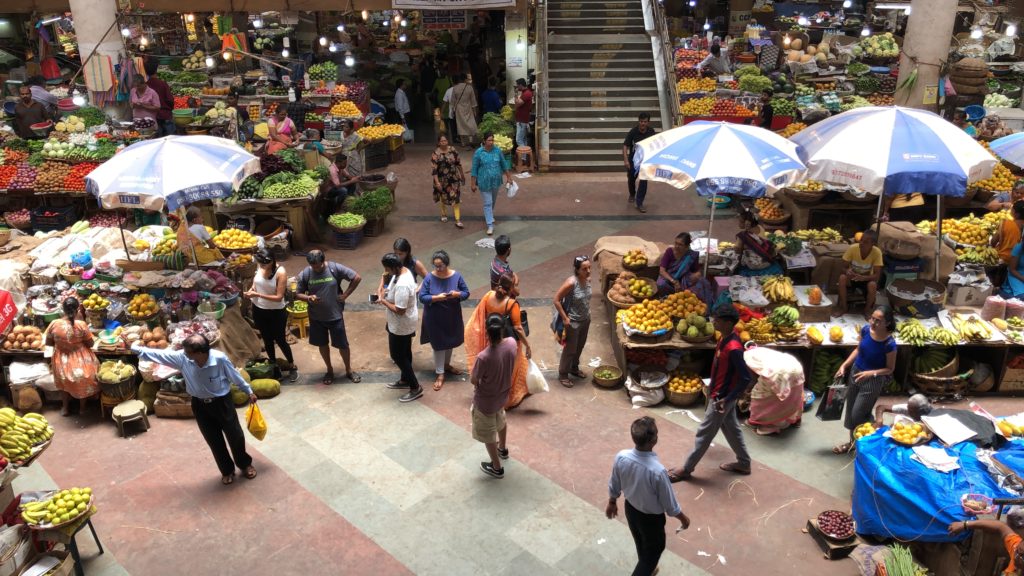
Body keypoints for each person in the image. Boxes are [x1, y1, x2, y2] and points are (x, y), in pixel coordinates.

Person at [133, 334, 258, 485]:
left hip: (222, 403)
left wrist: (248, 391)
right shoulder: (183, 358)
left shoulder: (219, 359)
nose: (184, 354)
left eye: (188, 352)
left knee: (235, 436)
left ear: (200, 352)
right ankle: (227, 470)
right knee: (214, 440)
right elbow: (160, 355)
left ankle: (244, 464)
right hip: (200, 406)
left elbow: (234, 375)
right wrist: (135, 348)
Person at [669, 305, 752, 481]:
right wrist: (712, 385)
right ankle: (744, 463)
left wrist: (727, 399)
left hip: (721, 400)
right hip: (718, 394)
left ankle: (687, 468)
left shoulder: (735, 348)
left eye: (718, 320)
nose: (714, 322)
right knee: (732, 429)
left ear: (728, 323)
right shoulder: (724, 338)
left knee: (704, 433)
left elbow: (745, 378)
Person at [607, 417, 691, 576]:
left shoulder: (621, 457)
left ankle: (649, 570)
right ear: (654, 440)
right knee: (653, 551)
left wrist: (612, 501)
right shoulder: (657, 472)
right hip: (651, 520)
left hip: (631, 509)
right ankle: (647, 569)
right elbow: (669, 504)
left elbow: (614, 481)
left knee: (640, 541)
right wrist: (684, 519)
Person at [832, 305, 897, 455]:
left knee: (859, 414)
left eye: (878, 321)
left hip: (873, 380)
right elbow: (858, 349)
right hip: (856, 373)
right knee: (850, 413)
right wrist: (844, 365)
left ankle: (869, 441)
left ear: (887, 323)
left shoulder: (889, 344)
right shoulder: (866, 330)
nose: (873, 322)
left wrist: (871, 373)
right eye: (872, 318)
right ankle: (852, 443)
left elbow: (890, 369)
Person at [466, 273, 532, 409]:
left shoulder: (488, 296)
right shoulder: (511, 304)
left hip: (492, 338)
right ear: (511, 288)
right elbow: (518, 328)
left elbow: (479, 315)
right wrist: (528, 345)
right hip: (506, 338)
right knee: (511, 367)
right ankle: (508, 398)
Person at [295, 250, 362, 385]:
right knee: (322, 344)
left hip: (335, 315)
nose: (316, 268)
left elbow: (357, 277)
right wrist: (309, 298)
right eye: (313, 266)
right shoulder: (306, 273)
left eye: (319, 266)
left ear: (323, 261)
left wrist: (345, 295)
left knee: (343, 345)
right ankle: (329, 370)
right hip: (316, 317)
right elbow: (297, 294)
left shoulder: (334, 268)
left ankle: (349, 369)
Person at [472, 313, 517, 478]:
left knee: (488, 433)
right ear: (503, 329)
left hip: (486, 401)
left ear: (487, 332)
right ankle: (503, 448)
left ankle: (497, 467)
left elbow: (473, 379)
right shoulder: (512, 344)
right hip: (503, 394)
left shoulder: (483, 357)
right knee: (501, 419)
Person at [244, 248, 297, 383]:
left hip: (276, 312)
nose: (261, 266)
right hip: (259, 310)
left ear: (271, 261)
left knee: (280, 339)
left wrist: (257, 295)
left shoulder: (280, 272)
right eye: (260, 264)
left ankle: (291, 365)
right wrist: (252, 291)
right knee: (267, 339)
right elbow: (256, 283)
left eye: (264, 264)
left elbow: (279, 297)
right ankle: (273, 365)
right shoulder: (259, 265)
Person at [420, 250, 470, 391]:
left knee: (450, 341)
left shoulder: (456, 276)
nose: (438, 269)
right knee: (439, 344)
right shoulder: (429, 278)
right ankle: (440, 373)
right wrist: (437, 298)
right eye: (436, 266)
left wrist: (457, 294)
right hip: (435, 317)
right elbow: (422, 297)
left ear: (446, 264)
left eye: (440, 266)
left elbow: (466, 293)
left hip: (451, 316)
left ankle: (446, 365)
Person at [375, 253, 422, 403]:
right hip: (405, 321)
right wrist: (385, 290)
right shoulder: (404, 270)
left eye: (387, 269)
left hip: (401, 324)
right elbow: (389, 282)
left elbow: (400, 310)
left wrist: (383, 301)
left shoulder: (402, 284)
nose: (386, 272)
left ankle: (415, 387)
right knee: (406, 351)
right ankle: (404, 379)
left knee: (397, 355)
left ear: (395, 267)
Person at [47, 297, 100, 417]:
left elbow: (49, 343)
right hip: (80, 360)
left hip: (61, 360)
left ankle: (65, 408)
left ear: (63, 310)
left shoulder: (54, 324)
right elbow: (91, 344)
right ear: (77, 310)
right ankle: (82, 408)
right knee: (85, 379)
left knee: (63, 383)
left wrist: (63, 344)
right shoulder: (81, 324)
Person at [745, 347, 804, 436]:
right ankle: (795, 418)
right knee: (794, 395)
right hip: (796, 369)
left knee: (757, 396)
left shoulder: (749, 359)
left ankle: (756, 422)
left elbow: (753, 376)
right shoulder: (764, 352)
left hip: (779, 373)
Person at [554, 255, 592, 388]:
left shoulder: (587, 280)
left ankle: (574, 368)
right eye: (584, 269)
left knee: (579, 346)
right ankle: (563, 374)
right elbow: (556, 299)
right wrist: (565, 318)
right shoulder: (571, 282)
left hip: (585, 319)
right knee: (570, 349)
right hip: (573, 322)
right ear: (577, 270)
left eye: (589, 267)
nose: (588, 271)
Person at [947, 509, 1024, 573]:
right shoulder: (1016, 548)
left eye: (1021, 556)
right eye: (1017, 551)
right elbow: (1001, 526)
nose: (1016, 556)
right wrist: (965, 525)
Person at [471, 132, 514, 236]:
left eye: (492, 140)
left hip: (496, 182)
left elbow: (504, 164)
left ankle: (490, 214)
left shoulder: (497, 151)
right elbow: (474, 169)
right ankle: (490, 224)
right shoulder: (479, 153)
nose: (491, 142)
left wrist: (509, 177)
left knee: (493, 201)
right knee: (488, 202)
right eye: (489, 140)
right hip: (483, 182)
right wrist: (472, 183)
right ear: (484, 141)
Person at [656, 232, 714, 304]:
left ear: (687, 246)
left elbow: (696, 270)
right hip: (669, 277)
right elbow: (662, 271)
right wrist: (673, 281)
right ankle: (668, 299)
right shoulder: (669, 252)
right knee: (661, 284)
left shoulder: (691, 255)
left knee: (701, 283)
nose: (677, 246)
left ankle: (692, 303)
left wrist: (697, 274)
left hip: (684, 279)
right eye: (676, 243)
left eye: (680, 245)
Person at [837, 230, 883, 318]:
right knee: (842, 278)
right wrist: (847, 271)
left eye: (865, 242)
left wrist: (863, 278)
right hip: (852, 277)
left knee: (873, 285)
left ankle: (867, 310)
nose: (861, 243)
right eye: (861, 240)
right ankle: (844, 307)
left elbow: (877, 275)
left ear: (873, 244)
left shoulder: (877, 253)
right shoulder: (853, 248)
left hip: (866, 279)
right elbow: (842, 268)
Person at [623, 113, 657, 213]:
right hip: (633, 161)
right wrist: (626, 160)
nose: (642, 124)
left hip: (645, 161)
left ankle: (639, 203)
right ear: (639, 121)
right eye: (641, 121)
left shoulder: (651, 131)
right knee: (631, 178)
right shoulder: (633, 132)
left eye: (645, 122)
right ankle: (632, 194)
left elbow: (655, 144)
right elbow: (625, 146)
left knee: (643, 181)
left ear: (648, 122)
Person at [431, 135, 466, 228]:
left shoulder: (453, 150)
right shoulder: (436, 154)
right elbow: (434, 170)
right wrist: (437, 182)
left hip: (454, 178)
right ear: (439, 143)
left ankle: (458, 219)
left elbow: (458, 163)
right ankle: (443, 214)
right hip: (442, 180)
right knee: (443, 197)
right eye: (442, 141)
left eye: (445, 140)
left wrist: (462, 175)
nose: (444, 142)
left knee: (456, 197)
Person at [735, 210, 782, 277]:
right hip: (767, 261)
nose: (738, 223)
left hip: (755, 265)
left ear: (746, 223)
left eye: (740, 221)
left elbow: (737, 251)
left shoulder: (743, 236)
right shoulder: (760, 227)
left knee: (740, 255)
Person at [144, 60, 174, 136]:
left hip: (152, 117)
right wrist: (169, 109)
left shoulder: (145, 86)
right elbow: (170, 100)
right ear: (156, 71)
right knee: (170, 139)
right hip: (165, 114)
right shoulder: (163, 84)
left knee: (157, 140)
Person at [450, 74, 479, 147]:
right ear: (465, 79)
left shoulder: (455, 88)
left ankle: (463, 142)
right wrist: (475, 111)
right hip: (468, 107)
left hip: (459, 108)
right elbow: (473, 100)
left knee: (460, 124)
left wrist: (452, 110)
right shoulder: (470, 88)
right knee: (470, 123)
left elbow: (453, 101)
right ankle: (470, 140)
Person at [994, 201, 1024, 267]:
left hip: (1004, 259)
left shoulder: (1006, 224)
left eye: (1012, 209)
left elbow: (993, 242)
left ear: (1016, 213)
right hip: (1020, 262)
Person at [514, 78, 533, 148]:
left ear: (521, 85)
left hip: (522, 121)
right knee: (523, 139)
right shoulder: (525, 92)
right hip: (523, 120)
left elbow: (517, 104)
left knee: (518, 140)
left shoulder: (526, 93)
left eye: (517, 85)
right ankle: (524, 157)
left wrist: (515, 94)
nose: (517, 87)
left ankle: (522, 156)